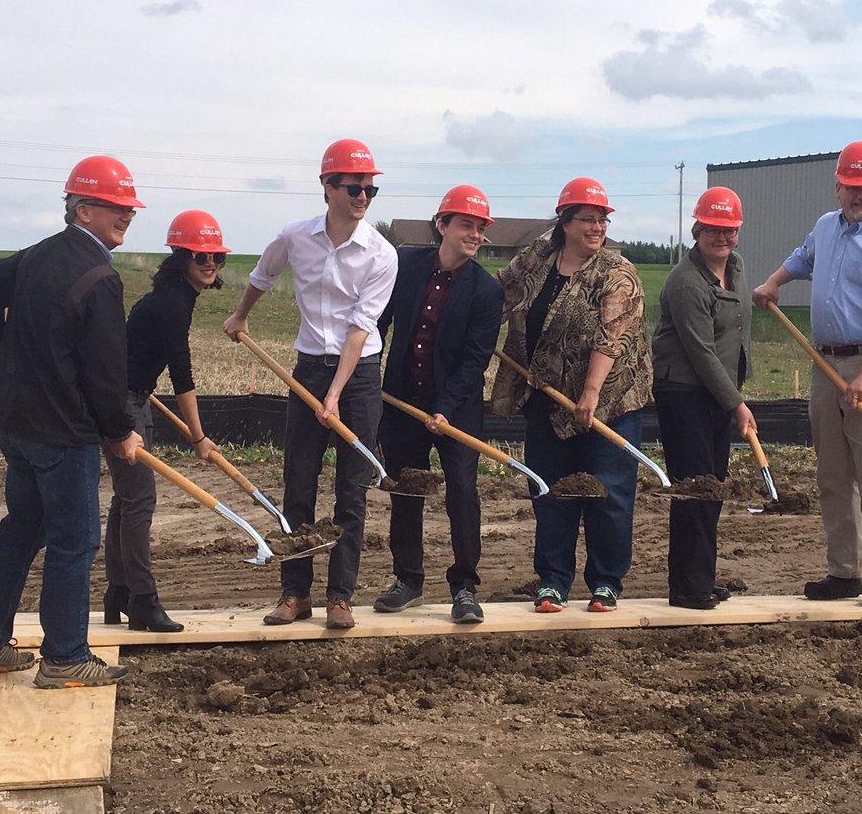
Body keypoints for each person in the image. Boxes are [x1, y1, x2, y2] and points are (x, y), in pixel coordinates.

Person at [0, 155, 144, 688]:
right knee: (74, 541)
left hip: (16, 425)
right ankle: (64, 656)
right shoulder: (100, 277)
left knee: (21, 531)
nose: (127, 216)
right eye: (117, 207)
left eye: (130, 208)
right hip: (62, 435)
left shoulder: (38, 256)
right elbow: (107, 372)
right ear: (83, 209)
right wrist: (118, 430)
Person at [224, 139, 397, 630]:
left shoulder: (381, 255)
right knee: (298, 482)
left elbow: (362, 326)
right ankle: (294, 593)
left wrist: (337, 394)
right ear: (327, 187)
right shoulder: (295, 236)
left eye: (371, 188)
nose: (363, 196)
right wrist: (239, 315)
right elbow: (263, 273)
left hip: (358, 375)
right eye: (354, 186)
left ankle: (339, 597)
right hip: (307, 369)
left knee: (352, 489)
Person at [752, 141, 862, 608]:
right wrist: (774, 282)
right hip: (826, 362)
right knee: (832, 474)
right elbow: (803, 257)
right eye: (853, 187)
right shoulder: (828, 228)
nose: (861, 195)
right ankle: (844, 571)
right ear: (839, 186)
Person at [491, 177, 652, 614]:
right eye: (588, 219)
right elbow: (497, 293)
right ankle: (553, 581)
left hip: (609, 403)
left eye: (602, 219)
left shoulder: (617, 272)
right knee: (552, 492)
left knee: (608, 493)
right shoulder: (537, 260)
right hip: (546, 398)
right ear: (565, 221)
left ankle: (605, 582)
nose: (598, 226)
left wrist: (591, 395)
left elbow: (611, 337)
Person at [373, 185, 504, 624]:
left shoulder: (486, 291)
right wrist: (366, 373)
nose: (475, 234)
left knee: (462, 494)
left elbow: (474, 360)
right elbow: (378, 323)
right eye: (466, 224)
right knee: (407, 489)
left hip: (457, 408)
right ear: (442, 224)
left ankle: (464, 586)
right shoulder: (405, 265)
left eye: (481, 227)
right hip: (401, 401)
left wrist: (445, 408)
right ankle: (407, 580)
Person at [102, 210, 229, 633]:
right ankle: (143, 602)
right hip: (123, 404)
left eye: (216, 257)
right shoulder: (173, 304)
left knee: (126, 500)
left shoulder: (171, 297)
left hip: (132, 396)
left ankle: (119, 594)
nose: (209, 263)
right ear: (180, 256)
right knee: (139, 502)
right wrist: (199, 438)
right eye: (200, 255)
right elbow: (183, 375)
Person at [652, 186, 756, 610]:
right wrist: (737, 403)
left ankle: (701, 578)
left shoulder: (738, 266)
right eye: (714, 229)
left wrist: (732, 395)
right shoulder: (685, 283)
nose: (723, 238)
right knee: (695, 488)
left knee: (713, 487)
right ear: (697, 230)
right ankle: (687, 589)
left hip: (718, 393)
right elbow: (700, 352)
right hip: (684, 394)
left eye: (729, 230)